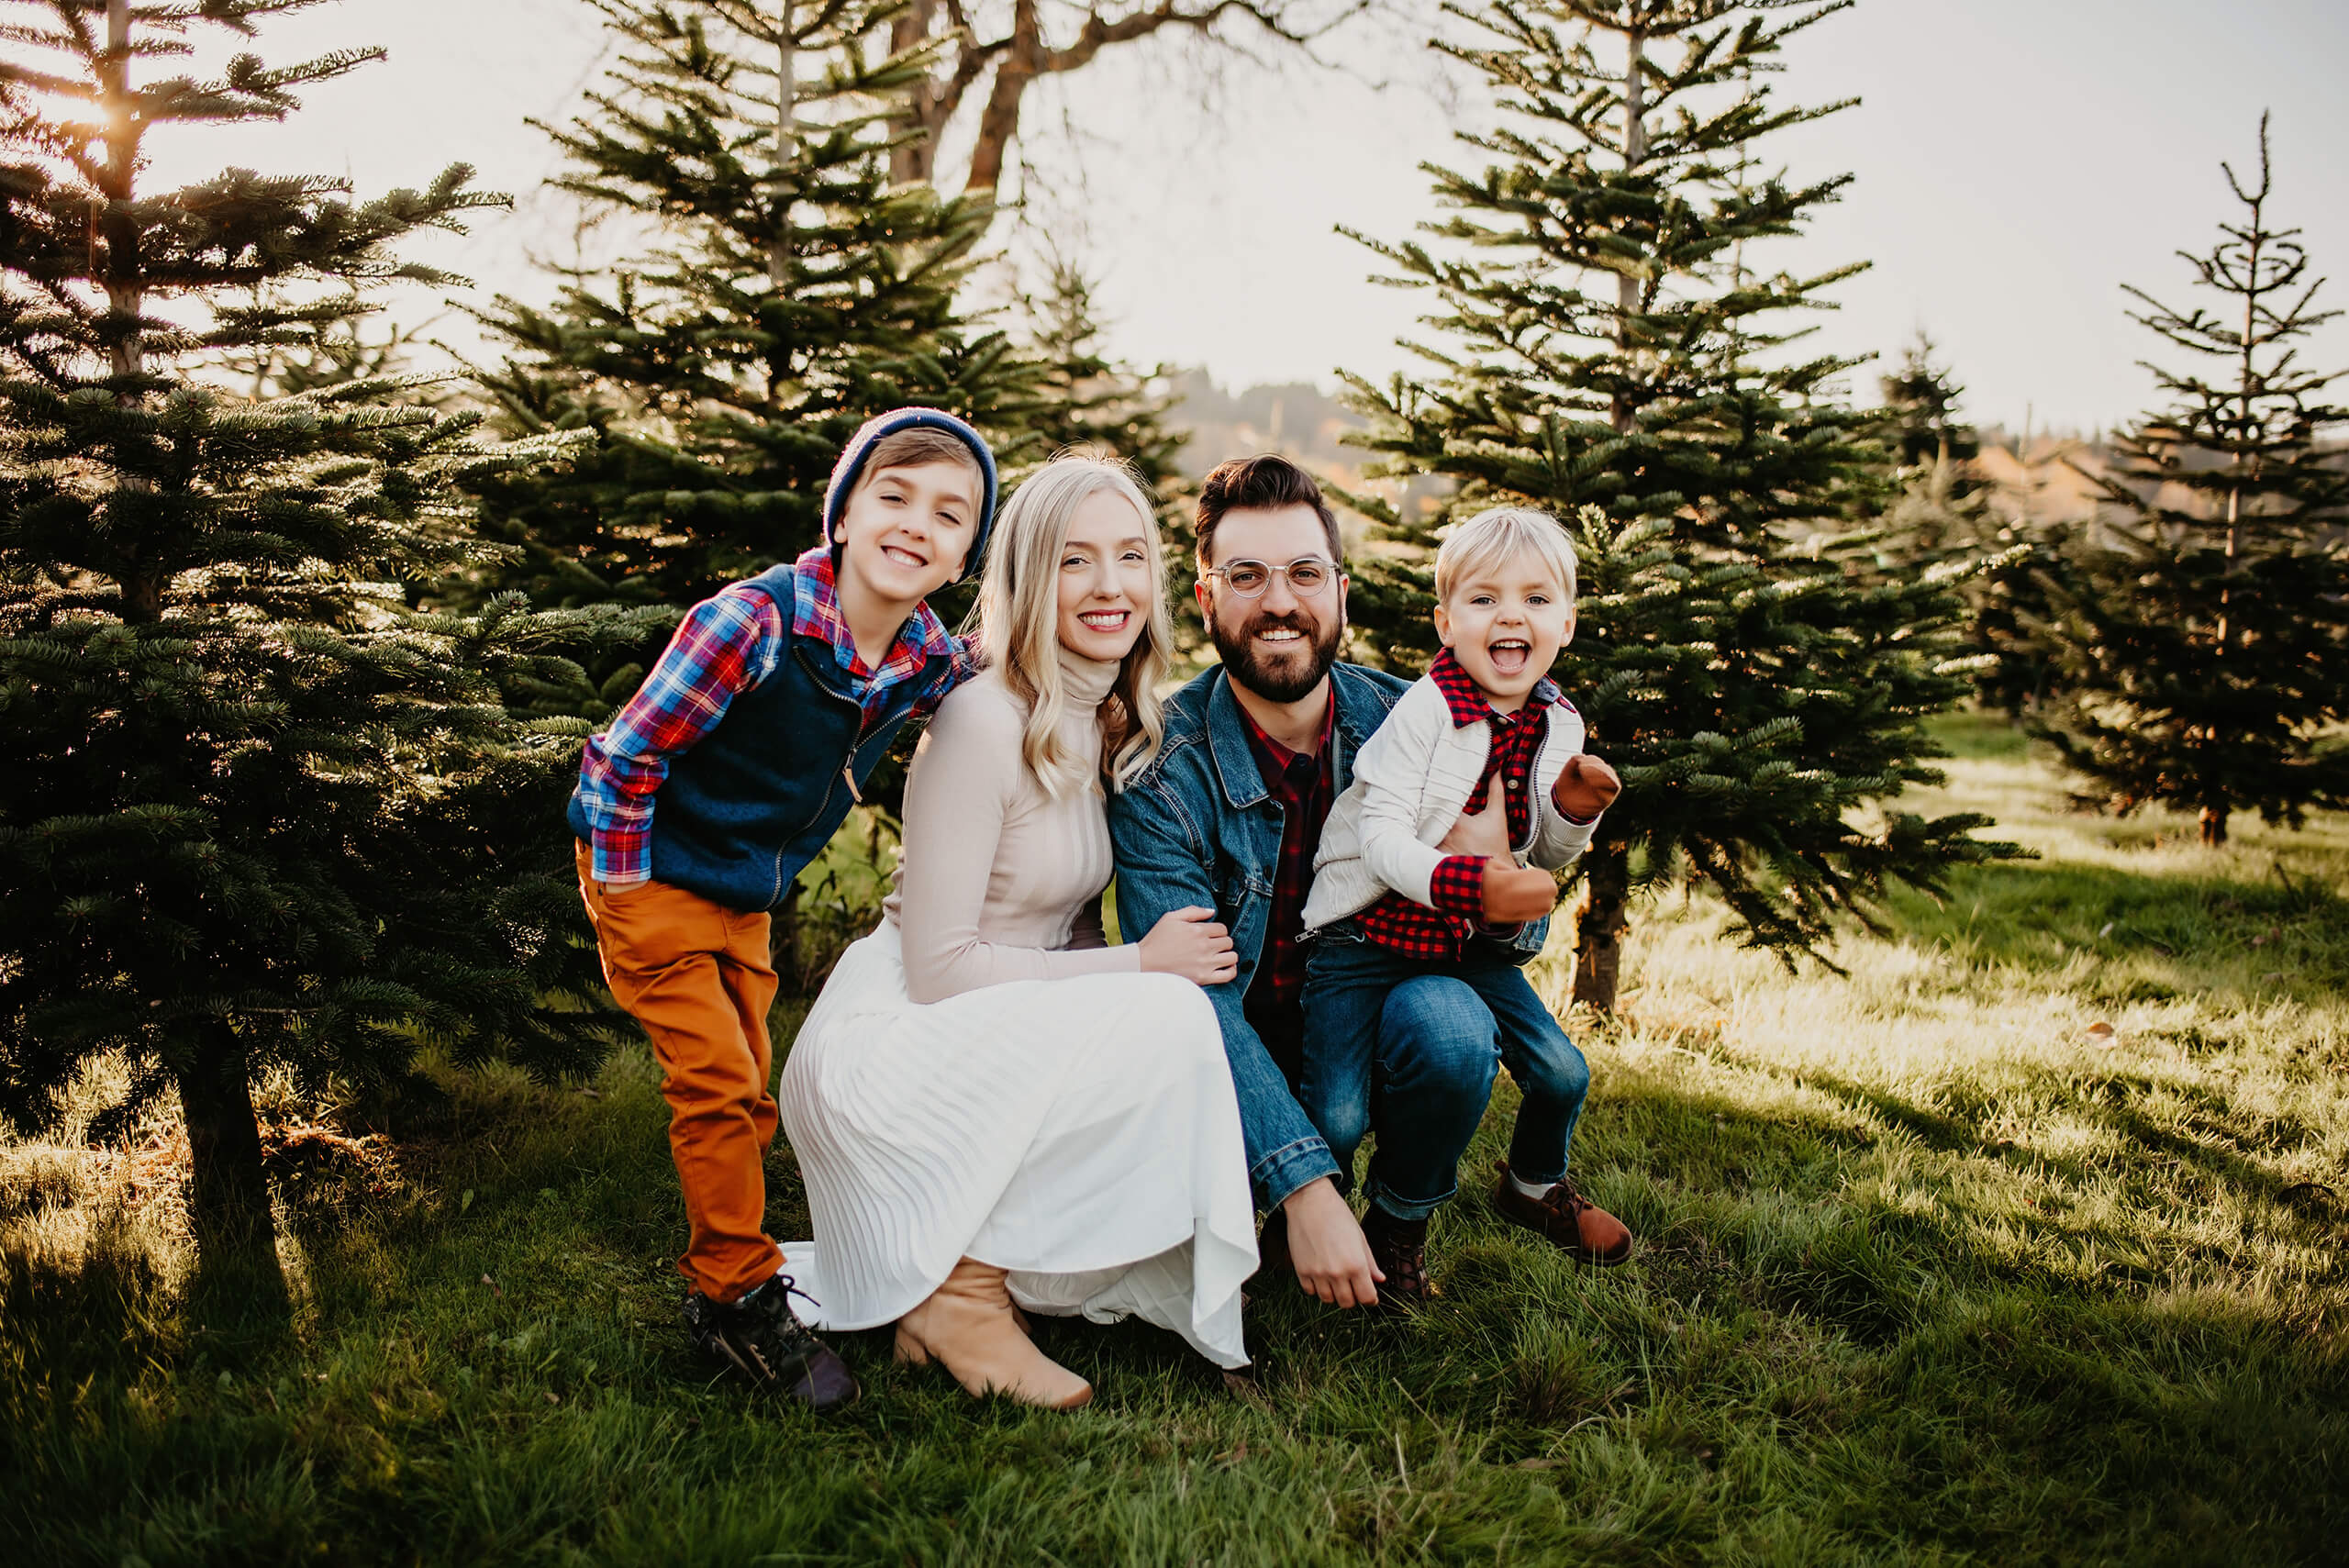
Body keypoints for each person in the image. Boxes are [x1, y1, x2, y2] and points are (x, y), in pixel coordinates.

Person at [780, 453, 1256, 1411]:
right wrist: (1139, 962)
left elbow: (1065, 930)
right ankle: (960, 1292)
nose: (1110, 585)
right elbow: (940, 968)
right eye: (1076, 561)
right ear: (1031, 577)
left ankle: (978, 1269)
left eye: (1130, 556)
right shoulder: (979, 718)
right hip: (895, 1036)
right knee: (1162, 1009)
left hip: (988, 1014)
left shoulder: (1107, 718)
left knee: (1163, 1026)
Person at [1108, 456, 1612, 1311]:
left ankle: (1396, 1228)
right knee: (1210, 1230)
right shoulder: (1162, 774)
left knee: (1453, 1024)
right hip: (1236, 1058)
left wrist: (1496, 881)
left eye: (1305, 573)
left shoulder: (1423, 723)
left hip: (1383, 1007)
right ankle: (1284, 1195)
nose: (1278, 602)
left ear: (1340, 590)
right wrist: (1302, 1180)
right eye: (1246, 576)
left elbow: (1510, 933)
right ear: (1205, 598)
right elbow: (1194, 1006)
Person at [568, 407, 998, 1410]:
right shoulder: (749, 623)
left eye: (948, 514)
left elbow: (974, 680)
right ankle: (737, 1292)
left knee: (750, 1081)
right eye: (892, 497)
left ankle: (730, 1265)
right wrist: (628, 890)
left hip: (741, 893)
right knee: (715, 1082)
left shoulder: (921, 652)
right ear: (843, 513)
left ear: (966, 550)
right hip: (652, 870)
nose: (914, 525)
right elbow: (623, 755)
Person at [1297, 506, 1631, 1292]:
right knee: (1338, 1115)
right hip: (1362, 936)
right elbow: (1380, 838)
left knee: (1561, 1072)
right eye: (1484, 599)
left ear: (1568, 623)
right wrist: (1467, 882)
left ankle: (1532, 1185)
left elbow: (1541, 854)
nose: (1511, 614)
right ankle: (1309, 1219)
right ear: (1446, 623)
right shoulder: (1426, 711)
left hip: (1463, 944)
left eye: (1536, 600)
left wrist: (1575, 811)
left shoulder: (1558, 723)